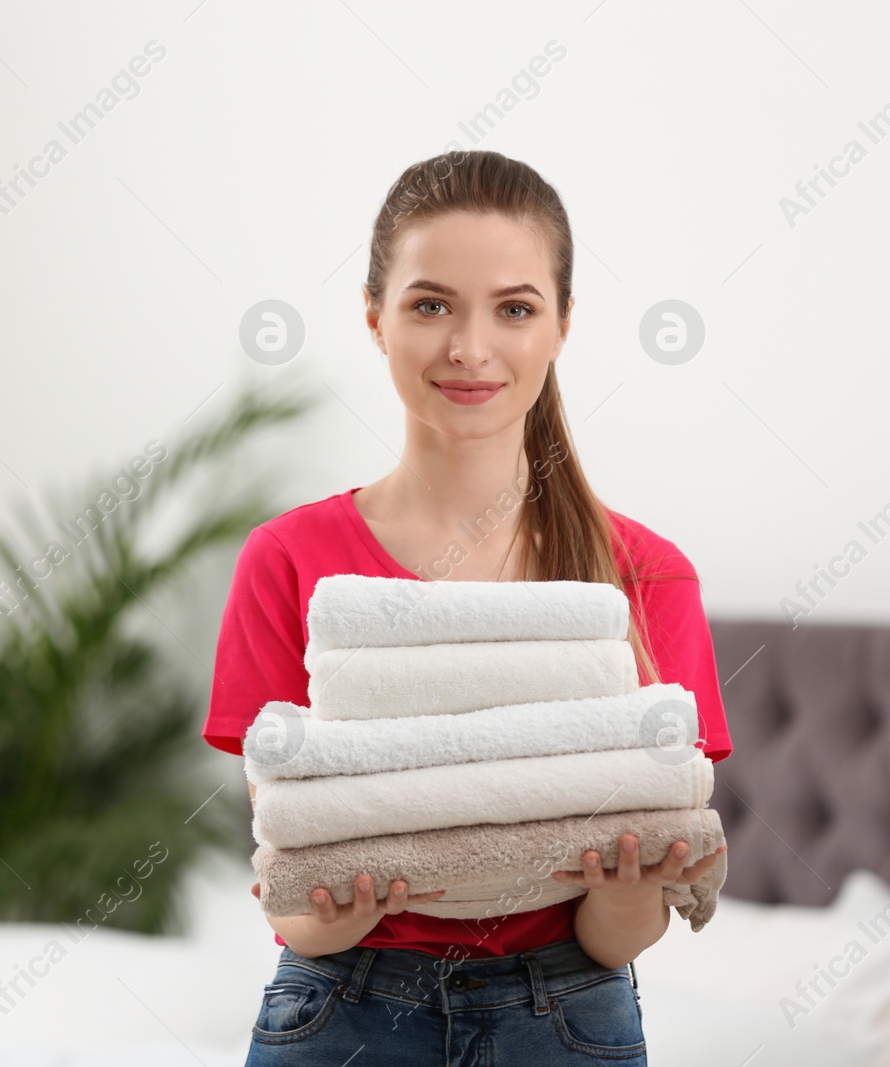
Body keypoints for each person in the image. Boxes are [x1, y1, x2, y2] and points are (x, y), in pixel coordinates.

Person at [203, 149, 732, 1065]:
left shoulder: (642, 580)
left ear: (563, 324)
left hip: (569, 1014)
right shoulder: (289, 562)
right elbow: (292, 888)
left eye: (515, 308)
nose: (470, 348)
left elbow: (618, 938)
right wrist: (336, 911)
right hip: (340, 1007)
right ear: (375, 317)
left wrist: (619, 890)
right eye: (431, 304)